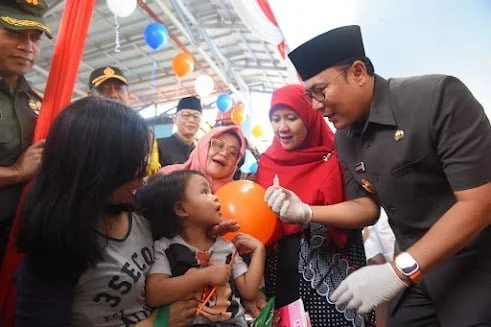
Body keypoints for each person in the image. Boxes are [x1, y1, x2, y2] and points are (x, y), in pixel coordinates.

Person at [265, 25, 491, 326]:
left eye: (321, 90)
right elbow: (367, 207)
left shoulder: (436, 98)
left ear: (358, 72)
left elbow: (479, 202)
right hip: (413, 277)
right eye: (310, 96)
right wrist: (306, 211)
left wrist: (399, 271)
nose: (317, 106)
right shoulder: (344, 139)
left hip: (474, 267)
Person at [14, 97, 238, 327]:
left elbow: (181, 228)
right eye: (132, 162)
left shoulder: (140, 210)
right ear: (97, 166)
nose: (143, 174)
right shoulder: (53, 250)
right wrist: (155, 324)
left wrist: (206, 232)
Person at [255, 84, 374, 326]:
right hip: (278, 271)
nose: (282, 127)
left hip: (333, 265)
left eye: (291, 117)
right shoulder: (267, 162)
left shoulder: (336, 155)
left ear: (309, 117)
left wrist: (308, 213)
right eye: (275, 119)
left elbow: (366, 209)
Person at [135, 170, 265, 327]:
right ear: (182, 209)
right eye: (205, 192)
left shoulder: (227, 247)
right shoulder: (166, 247)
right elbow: (154, 294)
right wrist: (203, 276)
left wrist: (259, 250)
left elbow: (249, 291)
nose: (215, 197)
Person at [0, 0, 51, 266]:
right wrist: (16, 173)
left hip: (19, 241)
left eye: (35, 38)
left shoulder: (41, 102)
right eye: (15, 33)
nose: (27, 47)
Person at [159, 125, 246, 192]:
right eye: (218, 145)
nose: (224, 153)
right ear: (203, 146)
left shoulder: (237, 195)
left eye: (233, 153)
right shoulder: (167, 177)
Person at [158, 96, 202, 167]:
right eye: (186, 115)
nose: (191, 120)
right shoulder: (159, 146)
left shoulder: (202, 152)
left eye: (196, 116)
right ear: (175, 119)